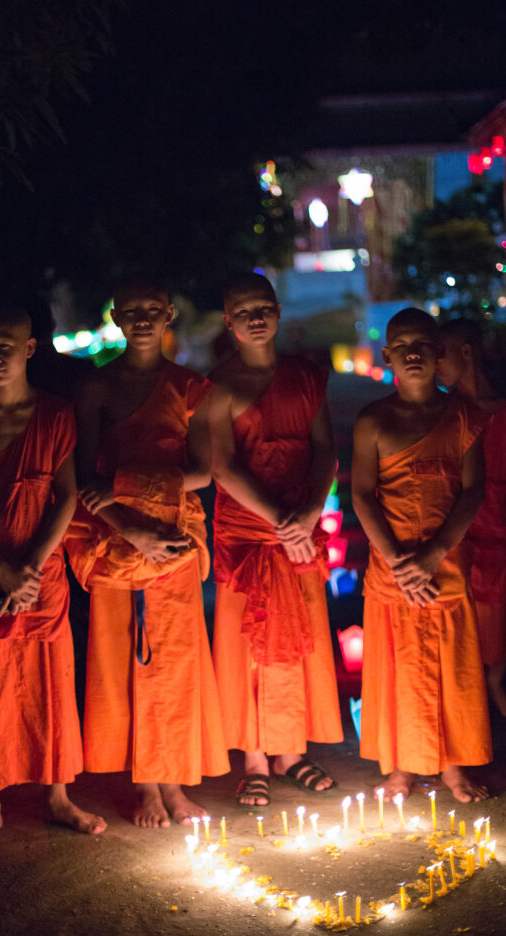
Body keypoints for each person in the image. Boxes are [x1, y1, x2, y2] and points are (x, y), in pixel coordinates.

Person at [0, 303, 104, 852]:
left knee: (51, 681)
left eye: (5, 345)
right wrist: (0, 566)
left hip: (41, 569)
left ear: (30, 349)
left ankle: (58, 797)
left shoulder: (55, 414)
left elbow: (66, 496)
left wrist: (29, 567)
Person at [68, 274, 229, 829]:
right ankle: (145, 785)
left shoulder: (191, 387)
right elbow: (86, 480)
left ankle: (175, 782)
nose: (141, 319)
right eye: (130, 310)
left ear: (168, 316)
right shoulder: (96, 388)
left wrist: (125, 486)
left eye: (152, 309)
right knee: (125, 662)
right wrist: (126, 523)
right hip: (115, 539)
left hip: (176, 541)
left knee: (176, 663)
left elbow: (203, 474)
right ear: (115, 316)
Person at [209, 273, 343, 808]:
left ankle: (290, 751)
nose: (256, 317)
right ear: (229, 321)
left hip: (299, 526)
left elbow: (325, 451)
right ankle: (255, 759)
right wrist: (277, 519)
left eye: (264, 307)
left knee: (299, 640)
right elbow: (222, 466)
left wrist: (307, 512)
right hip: (247, 529)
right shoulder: (216, 386)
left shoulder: (307, 377)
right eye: (244, 311)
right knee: (247, 643)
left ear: (279, 311)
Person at [352, 307, 491, 803]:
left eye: (423, 345)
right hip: (392, 565)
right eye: (402, 346)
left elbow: (473, 491)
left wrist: (434, 554)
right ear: (387, 355)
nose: (412, 353)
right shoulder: (374, 419)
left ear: (439, 354)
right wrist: (395, 560)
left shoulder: (463, 416)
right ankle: (401, 768)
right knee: (398, 665)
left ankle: (453, 766)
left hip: (444, 558)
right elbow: (362, 496)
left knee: (451, 664)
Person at [437, 317, 506, 718]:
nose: (436, 363)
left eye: (442, 353)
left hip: (503, 523)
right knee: (469, 616)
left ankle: (494, 682)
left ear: (467, 351)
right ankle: (470, 694)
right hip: (462, 526)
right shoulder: (446, 411)